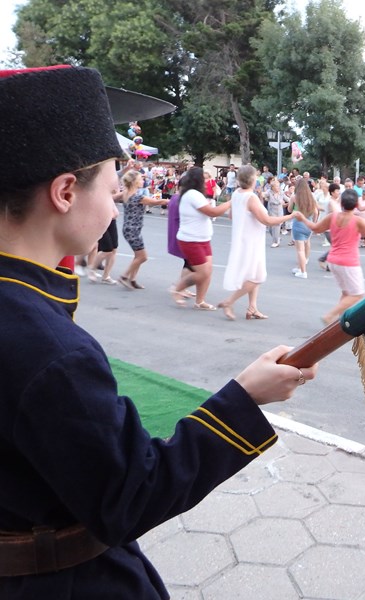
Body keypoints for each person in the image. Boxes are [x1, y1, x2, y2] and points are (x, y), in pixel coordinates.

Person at [0, 65, 317, 599]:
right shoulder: (48, 348)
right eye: (111, 188)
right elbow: (129, 495)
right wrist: (244, 398)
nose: (116, 204)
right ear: (65, 192)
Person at [295, 189, 365, 324]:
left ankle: (339, 321)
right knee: (357, 294)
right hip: (348, 262)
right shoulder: (357, 221)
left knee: (347, 293)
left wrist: (303, 219)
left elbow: (315, 228)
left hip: (333, 261)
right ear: (356, 205)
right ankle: (330, 315)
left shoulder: (332, 217)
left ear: (341, 203)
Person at [218, 166, 297, 320]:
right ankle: (229, 302)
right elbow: (267, 220)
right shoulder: (250, 197)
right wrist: (291, 216)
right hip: (251, 240)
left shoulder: (237, 194)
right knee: (258, 277)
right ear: (252, 179)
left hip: (245, 238)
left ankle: (252, 307)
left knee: (254, 273)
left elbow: (232, 216)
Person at [170, 167, 232, 309]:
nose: (207, 181)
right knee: (202, 273)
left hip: (202, 239)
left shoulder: (194, 194)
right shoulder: (192, 195)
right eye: (204, 178)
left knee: (207, 271)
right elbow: (212, 212)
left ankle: (200, 301)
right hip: (191, 240)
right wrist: (229, 203)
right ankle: (177, 289)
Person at [118, 169, 167, 289]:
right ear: (134, 182)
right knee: (142, 257)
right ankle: (124, 276)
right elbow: (157, 202)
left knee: (138, 256)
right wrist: (172, 200)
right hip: (133, 230)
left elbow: (112, 197)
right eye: (140, 179)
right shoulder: (138, 197)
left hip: (130, 229)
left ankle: (132, 279)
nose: (142, 181)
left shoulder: (125, 193)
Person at [289, 178, 318, 279]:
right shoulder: (311, 197)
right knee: (306, 245)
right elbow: (316, 212)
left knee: (300, 250)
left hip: (298, 224)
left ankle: (303, 271)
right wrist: (314, 223)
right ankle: (299, 267)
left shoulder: (294, 197)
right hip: (308, 224)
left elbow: (289, 209)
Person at [264, 176, 290, 247]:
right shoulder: (269, 192)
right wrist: (260, 193)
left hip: (279, 213)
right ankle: (277, 238)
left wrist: (292, 201)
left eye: (278, 186)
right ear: (272, 187)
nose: (278, 188)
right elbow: (264, 195)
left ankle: (275, 242)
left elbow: (288, 199)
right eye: (276, 186)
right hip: (271, 213)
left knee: (276, 227)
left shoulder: (281, 193)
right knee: (270, 229)